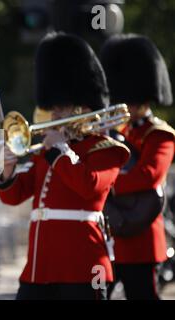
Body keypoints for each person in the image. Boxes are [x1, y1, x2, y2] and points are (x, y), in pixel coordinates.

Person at [0, 32, 130, 300]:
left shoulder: (107, 149)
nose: (54, 116)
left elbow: (89, 187)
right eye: (53, 109)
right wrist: (8, 169)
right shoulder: (47, 150)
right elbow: (15, 195)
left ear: (82, 108)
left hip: (81, 265)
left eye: (62, 109)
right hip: (39, 266)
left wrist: (60, 151)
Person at [100, 34, 175, 300]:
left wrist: (102, 184)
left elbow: (148, 176)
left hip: (140, 235)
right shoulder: (114, 130)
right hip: (110, 235)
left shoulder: (160, 135)